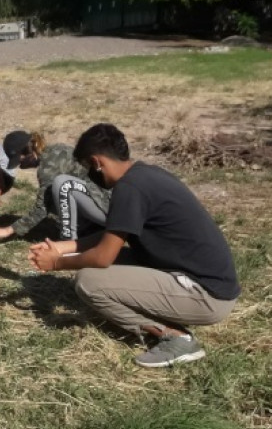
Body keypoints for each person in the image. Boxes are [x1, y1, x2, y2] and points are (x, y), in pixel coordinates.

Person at [29, 123, 240, 368]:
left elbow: (102, 257)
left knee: (89, 282)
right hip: (209, 284)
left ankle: (176, 338)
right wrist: (62, 247)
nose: (90, 175)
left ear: (97, 162)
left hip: (207, 296)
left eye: (88, 168)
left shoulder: (130, 188)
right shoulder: (143, 176)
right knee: (119, 259)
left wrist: (57, 263)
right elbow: (111, 235)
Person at [0, 130, 110, 244]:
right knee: (54, 195)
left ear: (28, 151)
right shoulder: (56, 149)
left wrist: (8, 230)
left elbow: (41, 209)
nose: (20, 166)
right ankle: (89, 229)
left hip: (105, 209)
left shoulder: (48, 167)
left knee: (59, 189)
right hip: (105, 203)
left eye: (19, 160)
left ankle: (69, 242)